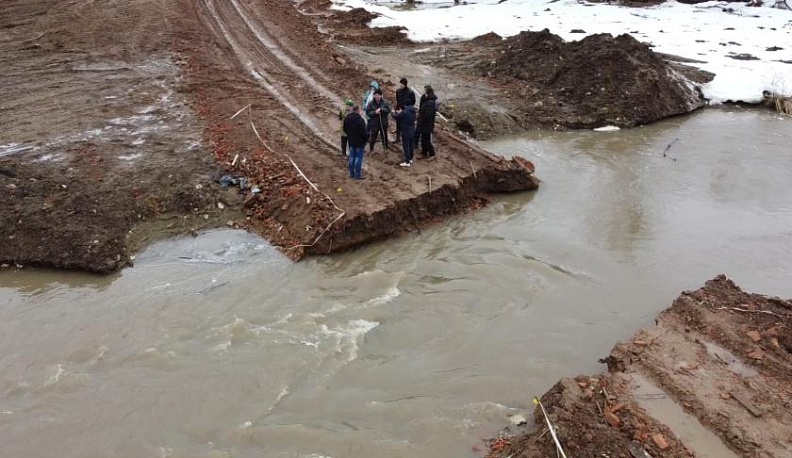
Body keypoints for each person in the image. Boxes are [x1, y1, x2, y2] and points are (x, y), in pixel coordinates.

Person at [343, 105, 368, 179]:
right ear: (358, 110)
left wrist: (350, 135)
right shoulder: (360, 120)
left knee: (351, 157)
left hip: (351, 141)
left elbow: (344, 129)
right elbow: (364, 132)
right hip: (360, 142)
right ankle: (357, 175)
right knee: (358, 158)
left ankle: (351, 174)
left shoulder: (347, 118)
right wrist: (366, 138)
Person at [365, 89, 391, 153]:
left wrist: (381, 109)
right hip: (374, 123)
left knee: (384, 137)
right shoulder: (370, 103)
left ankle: (385, 148)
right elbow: (368, 112)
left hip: (383, 123)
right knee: (373, 137)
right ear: (374, 96)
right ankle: (371, 149)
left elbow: (388, 110)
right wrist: (375, 112)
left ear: (381, 95)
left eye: (378, 95)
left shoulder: (385, 102)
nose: (377, 96)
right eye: (375, 95)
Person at [391, 102, 417, 167]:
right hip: (412, 130)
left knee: (406, 146)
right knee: (411, 145)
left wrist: (392, 112)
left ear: (405, 105)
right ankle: (410, 158)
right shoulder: (413, 111)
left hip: (406, 131)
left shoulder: (404, 112)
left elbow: (396, 117)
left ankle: (407, 162)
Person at [417, 85, 438, 159]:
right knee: (423, 139)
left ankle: (432, 154)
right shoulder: (428, 100)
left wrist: (420, 120)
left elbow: (427, 115)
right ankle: (424, 153)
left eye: (424, 90)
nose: (423, 92)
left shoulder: (430, 103)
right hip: (425, 124)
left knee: (426, 140)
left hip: (427, 125)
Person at [394, 77, 416, 142]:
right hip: (398, 109)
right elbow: (398, 100)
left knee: (405, 125)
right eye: (400, 84)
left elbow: (413, 102)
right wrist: (397, 109)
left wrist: (406, 110)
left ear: (405, 84)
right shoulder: (398, 91)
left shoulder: (410, 92)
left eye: (402, 84)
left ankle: (405, 139)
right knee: (398, 124)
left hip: (406, 111)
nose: (400, 85)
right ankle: (397, 138)